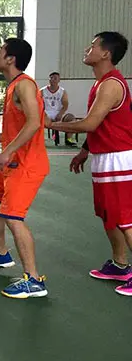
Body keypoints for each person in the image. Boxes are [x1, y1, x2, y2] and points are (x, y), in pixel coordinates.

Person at [47, 32, 132, 294]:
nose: (87, 49)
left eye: (93, 46)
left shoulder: (111, 85)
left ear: (106, 53)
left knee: (125, 219)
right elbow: (102, 124)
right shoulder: (100, 83)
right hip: (105, 157)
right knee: (109, 215)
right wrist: (85, 150)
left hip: (119, 159)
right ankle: (120, 265)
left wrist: (47, 124)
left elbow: (90, 124)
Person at [0, 38, 49, 299]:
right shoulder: (14, 85)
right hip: (14, 162)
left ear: (11, 58)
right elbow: (19, 125)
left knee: (13, 217)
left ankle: (34, 281)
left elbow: (34, 123)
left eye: (0, 51)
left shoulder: (24, 84)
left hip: (26, 164)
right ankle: (1, 254)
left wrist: (7, 152)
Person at [42, 71, 77, 146]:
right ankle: (39, 140)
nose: (53, 80)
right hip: (46, 113)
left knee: (71, 118)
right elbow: (38, 104)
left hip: (58, 112)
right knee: (36, 118)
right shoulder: (42, 91)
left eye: (55, 78)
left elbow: (65, 105)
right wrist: (44, 114)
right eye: (51, 78)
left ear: (59, 80)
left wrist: (60, 114)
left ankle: (68, 139)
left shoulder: (62, 91)